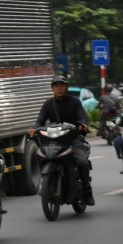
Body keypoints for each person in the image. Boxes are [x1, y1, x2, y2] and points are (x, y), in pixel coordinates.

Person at [29, 75, 95, 206]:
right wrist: (34, 129)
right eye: (56, 85)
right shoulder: (48, 104)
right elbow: (40, 120)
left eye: (61, 85)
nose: (59, 88)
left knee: (82, 162)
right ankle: (46, 182)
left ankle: (87, 191)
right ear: (52, 88)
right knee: (40, 155)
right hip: (54, 140)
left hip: (73, 139)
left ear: (67, 87)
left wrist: (83, 125)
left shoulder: (75, 101)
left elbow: (82, 117)